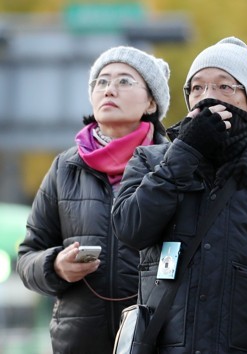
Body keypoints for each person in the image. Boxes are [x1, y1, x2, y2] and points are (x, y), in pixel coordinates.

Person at [112, 36, 247, 353]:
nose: (208, 97)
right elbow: (129, 230)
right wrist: (186, 152)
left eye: (225, 87)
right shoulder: (151, 161)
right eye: (197, 88)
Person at [16, 46, 171, 353]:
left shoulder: (171, 166)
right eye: (101, 81)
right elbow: (26, 256)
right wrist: (56, 265)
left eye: (124, 81)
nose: (109, 89)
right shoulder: (66, 167)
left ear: (151, 101)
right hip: (79, 343)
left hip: (158, 338)